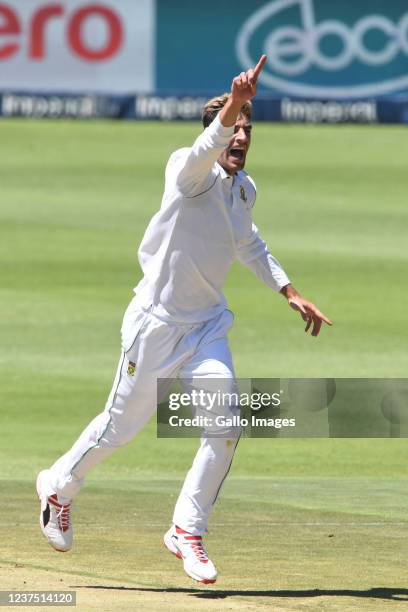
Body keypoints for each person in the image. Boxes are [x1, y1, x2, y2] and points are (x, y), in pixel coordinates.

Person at [36, 55, 332, 585]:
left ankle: (186, 531)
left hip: (205, 328)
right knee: (118, 430)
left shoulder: (244, 189)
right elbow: (204, 150)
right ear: (218, 133)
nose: (241, 137)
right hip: (154, 325)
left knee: (226, 427)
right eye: (235, 128)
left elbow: (249, 244)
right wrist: (235, 102)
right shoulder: (187, 170)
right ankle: (59, 486)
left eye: (248, 129)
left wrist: (289, 290)